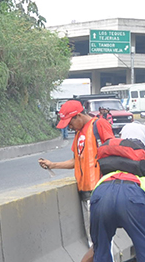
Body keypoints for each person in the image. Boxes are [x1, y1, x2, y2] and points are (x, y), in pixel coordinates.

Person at [39, 99, 114, 243]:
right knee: (92, 239)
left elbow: (112, 150)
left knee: (102, 238)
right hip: (85, 193)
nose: (70, 127)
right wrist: (52, 165)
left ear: (78, 116)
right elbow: (76, 161)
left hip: (100, 191)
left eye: (70, 123)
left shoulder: (99, 125)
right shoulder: (79, 134)